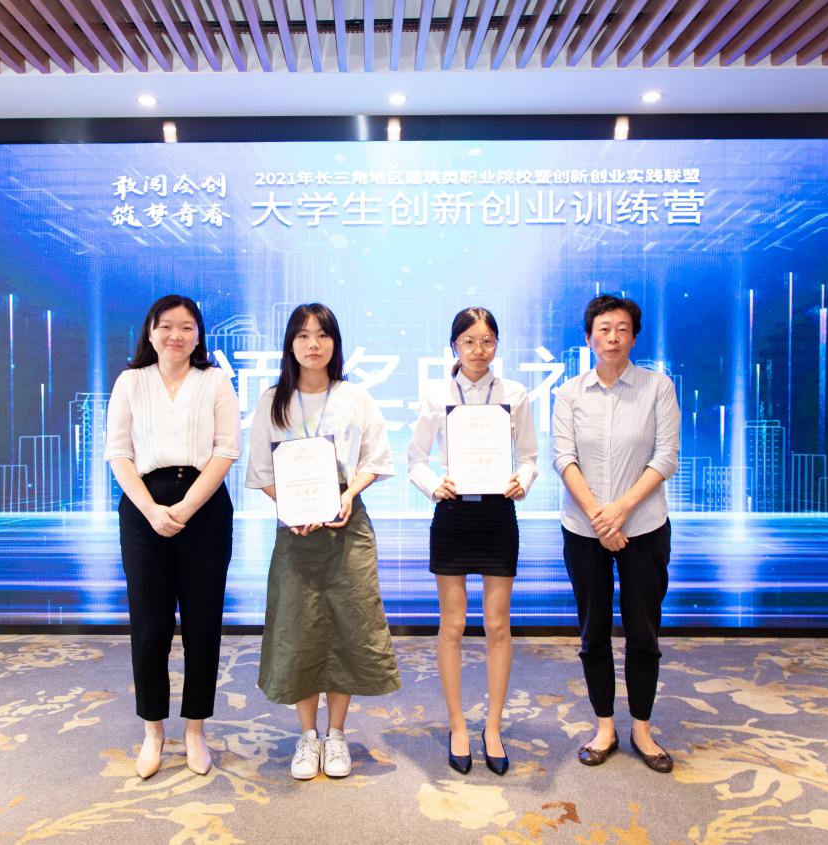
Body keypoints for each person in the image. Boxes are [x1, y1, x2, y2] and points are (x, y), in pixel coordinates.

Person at [245, 303, 401, 780]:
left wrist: (348, 494)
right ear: (290, 344)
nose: (313, 344)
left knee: (348, 626)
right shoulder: (273, 401)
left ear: (335, 343)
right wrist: (291, 508)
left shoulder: (354, 397)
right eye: (303, 335)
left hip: (346, 526)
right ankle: (307, 735)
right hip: (295, 533)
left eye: (323, 335)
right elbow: (261, 472)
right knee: (300, 629)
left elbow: (376, 459)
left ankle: (336, 735)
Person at [104, 294, 240, 779]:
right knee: (150, 626)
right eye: (166, 326)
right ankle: (153, 731)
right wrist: (152, 510)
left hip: (204, 508)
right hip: (144, 508)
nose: (175, 335)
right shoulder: (131, 381)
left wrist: (184, 508)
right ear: (151, 331)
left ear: (199, 335)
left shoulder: (215, 381)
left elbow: (226, 451)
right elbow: (118, 453)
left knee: (203, 625)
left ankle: (196, 730)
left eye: (186, 327)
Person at [407, 307, 538, 776]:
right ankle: (459, 725)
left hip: (498, 514)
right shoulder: (437, 394)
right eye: (469, 341)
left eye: (487, 341)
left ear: (496, 344)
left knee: (498, 626)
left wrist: (523, 479)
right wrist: (433, 485)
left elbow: (530, 456)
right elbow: (415, 458)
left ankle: (494, 728)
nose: (478, 350)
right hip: (454, 513)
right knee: (454, 625)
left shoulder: (515, 394)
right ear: (454, 346)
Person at [552, 293, 680, 773]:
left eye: (622, 329)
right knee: (593, 632)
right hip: (583, 529)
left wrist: (621, 510)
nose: (613, 337)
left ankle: (642, 730)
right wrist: (597, 516)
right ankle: (604, 726)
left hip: (643, 526)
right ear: (589, 338)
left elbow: (665, 456)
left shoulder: (657, 387)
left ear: (634, 337)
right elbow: (563, 457)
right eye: (604, 329)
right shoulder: (569, 393)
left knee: (643, 631)